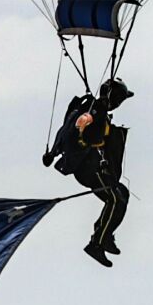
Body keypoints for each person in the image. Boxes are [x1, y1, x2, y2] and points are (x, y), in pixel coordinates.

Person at [42, 77, 133, 266]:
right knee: (115, 199)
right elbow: (80, 121)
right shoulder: (95, 108)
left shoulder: (95, 107)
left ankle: (104, 233)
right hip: (90, 169)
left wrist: (52, 153)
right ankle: (96, 243)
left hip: (93, 168)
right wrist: (83, 126)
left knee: (122, 194)